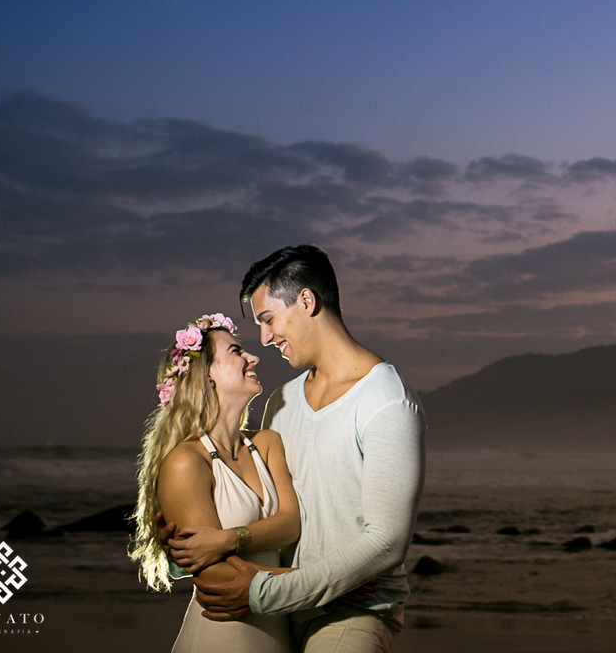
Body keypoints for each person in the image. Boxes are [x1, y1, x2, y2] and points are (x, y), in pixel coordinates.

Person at [192, 245, 426, 653]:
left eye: (268, 319)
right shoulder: (280, 402)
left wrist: (265, 591)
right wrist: (191, 531)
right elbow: (265, 506)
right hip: (277, 616)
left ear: (306, 300)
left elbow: (387, 542)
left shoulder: (385, 399)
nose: (264, 340)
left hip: (349, 614)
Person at [130, 313, 301, 653]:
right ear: (207, 374)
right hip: (225, 635)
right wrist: (323, 585)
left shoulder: (266, 443)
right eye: (237, 351)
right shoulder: (186, 462)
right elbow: (214, 579)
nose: (252, 358)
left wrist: (226, 540)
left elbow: (290, 525)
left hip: (277, 627)